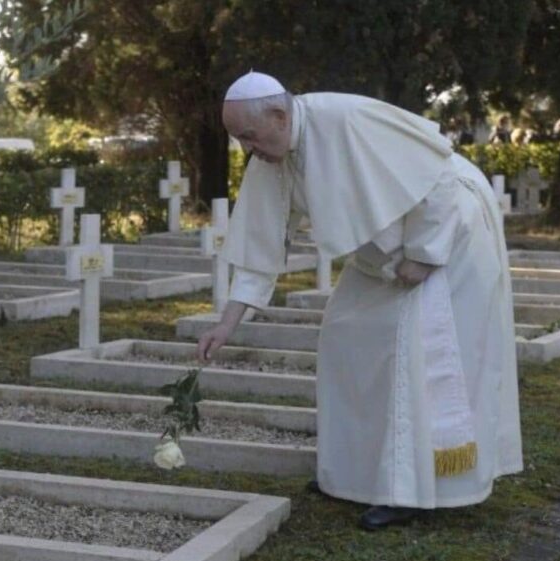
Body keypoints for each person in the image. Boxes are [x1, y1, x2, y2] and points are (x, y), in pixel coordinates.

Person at [197, 72, 523, 530]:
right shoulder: (273, 153)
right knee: (345, 334)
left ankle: (411, 490)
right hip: (385, 255)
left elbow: (438, 179)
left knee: (416, 354)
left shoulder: (349, 120)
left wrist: (426, 255)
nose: (245, 148)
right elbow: (260, 244)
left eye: (248, 136)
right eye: (238, 139)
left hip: (449, 232)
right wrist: (226, 323)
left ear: (278, 115)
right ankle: (356, 475)